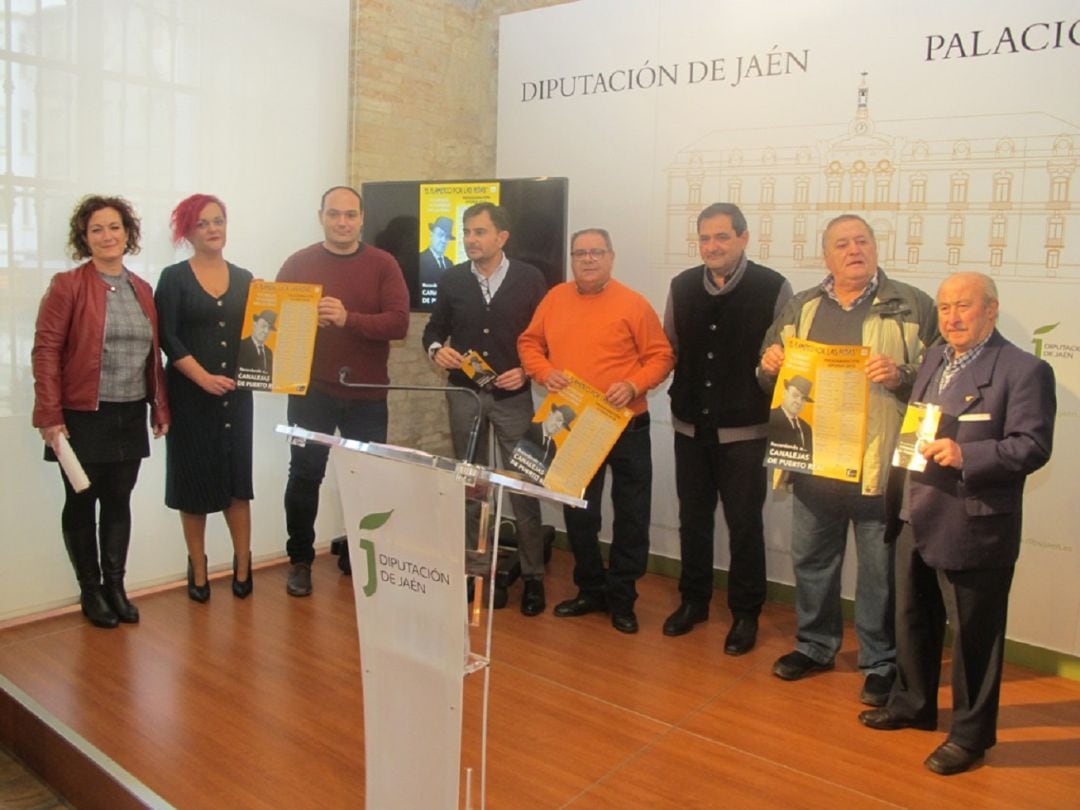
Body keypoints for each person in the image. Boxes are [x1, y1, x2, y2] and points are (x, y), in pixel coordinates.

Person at [859, 273, 1055, 776]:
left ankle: (970, 735)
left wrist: (967, 454)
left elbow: (1031, 446)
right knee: (912, 618)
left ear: (991, 309)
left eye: (963, 307)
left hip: (972, 522)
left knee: (973, 637)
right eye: (944, 308)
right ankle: (913, 703)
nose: (951, 317)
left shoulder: (1024, 369)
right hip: (913, 511)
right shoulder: (933, 357)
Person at [759, 213, 938, 706]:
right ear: (827, 256)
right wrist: (768, 365)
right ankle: (814, 645)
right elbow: (766, 375)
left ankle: (880, 661)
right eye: (842, 243)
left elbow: (944, 380)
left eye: (862, 240)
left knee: (880, 572)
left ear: (876, 248)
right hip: (814, 461)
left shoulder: (911, 305)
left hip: (878, 467)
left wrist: (901, 374)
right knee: (813, 561)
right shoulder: (802, 306)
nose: (854, 249)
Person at [518, 228, 674, 634]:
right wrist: (545, 371)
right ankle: (589, 589)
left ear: (611, 257)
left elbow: (661, 356)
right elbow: (529, 343)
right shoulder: (554, 299)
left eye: (596, 252)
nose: (588, 260)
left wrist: (635, 384)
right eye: (580, 253)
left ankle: (623, 598)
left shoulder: (633, 303)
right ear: (572, 259)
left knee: (631, 514)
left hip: (625, 425)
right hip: (575, 424)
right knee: (580, 512)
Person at [31, 195, 170, 628]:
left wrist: (158, 405)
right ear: (84, 238)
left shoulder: (141, 289)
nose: (107, 236)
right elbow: (46, 350)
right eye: (97, 229)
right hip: (81, 414)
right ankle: (90, 591)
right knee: (81, 499)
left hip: (129, 414)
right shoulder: (68, 285)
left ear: (127, 233)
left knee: (118, 501)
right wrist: (49, 414)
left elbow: (154, 355)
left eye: (114, 227)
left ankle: (115, 586)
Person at [663, 203, 792, 652]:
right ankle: (693, 601)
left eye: (721, 237)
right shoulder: (680, 287)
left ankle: (745, 614)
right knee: (692, 520)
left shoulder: (774, 288)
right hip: (689, 428)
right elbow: (670, 350)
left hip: (746, 432)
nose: (712, 247)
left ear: (743, 238)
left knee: (744, 525)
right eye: (704, 238)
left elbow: (784, 360)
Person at [277, 185, 410, 596]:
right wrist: (300, 321)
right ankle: (300, 560)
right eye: (334, 214)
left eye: (350, 215)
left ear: (362, 218)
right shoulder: (298, 263)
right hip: (311, 392)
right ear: (321, 216)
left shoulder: (384, 263)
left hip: (368, 395)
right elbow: (273, 322)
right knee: (304, 476)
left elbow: (398, 324)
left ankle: (361, 554)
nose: (342, 222)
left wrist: (348, 318)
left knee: (368, 481)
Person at [422, 202, 550, 615]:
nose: (471, 240)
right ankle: (479, 575)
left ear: (502, 237)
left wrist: (527, 372)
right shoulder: (452, 278)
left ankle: (533, 577)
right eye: (467, 232)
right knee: (473, 485)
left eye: (479, 232)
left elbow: (546, 338)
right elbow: (434, 329)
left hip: (514, 397)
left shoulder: (531, 279)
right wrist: (437, 350)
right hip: (466, 394)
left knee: (523, 485)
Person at [155, 194, 255, 602]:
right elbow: (167, 336)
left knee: (237, 484)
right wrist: (202, 378)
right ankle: (198, 567)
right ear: (187, 232)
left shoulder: (247, 278)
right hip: (190, 397)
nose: (214, 229)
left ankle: (243, 563)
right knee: (193, 484)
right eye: (203, 224)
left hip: (236, 396)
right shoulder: (174, 277)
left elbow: (265, 329)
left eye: (219, 221)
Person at [769, 374, 814, 450]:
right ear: (784, 394)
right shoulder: (771, 418)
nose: (799, 402)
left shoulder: (807, 428)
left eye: (803, 399)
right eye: (795, 395)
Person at [418, 216, 455, 287]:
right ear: (431, 235)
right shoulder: (420, 259)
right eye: (440, 235)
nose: (443, 240)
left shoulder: (449, 263)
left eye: (447, 237)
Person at [236, 310, 276, 374]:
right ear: (254, 325)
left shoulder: (269, 352)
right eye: (263, 326)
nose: (266, 331)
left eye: (269, 328)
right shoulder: (241, 346)